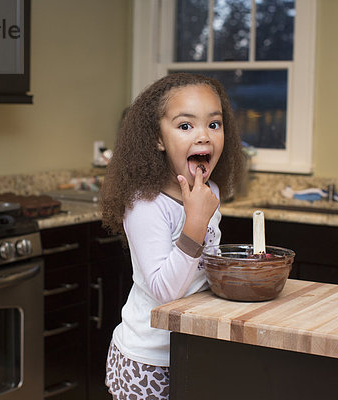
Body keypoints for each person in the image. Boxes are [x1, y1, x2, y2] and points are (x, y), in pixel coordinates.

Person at [101, 72, 245, 400]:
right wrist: (194, 223)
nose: (204, 137)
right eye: (185, 126)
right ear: (158, 138)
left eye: (214, 124)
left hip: (191, 349)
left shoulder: (210, 192)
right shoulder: (145, 204)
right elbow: (167, 293)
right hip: (147, 361)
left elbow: (201, 268)